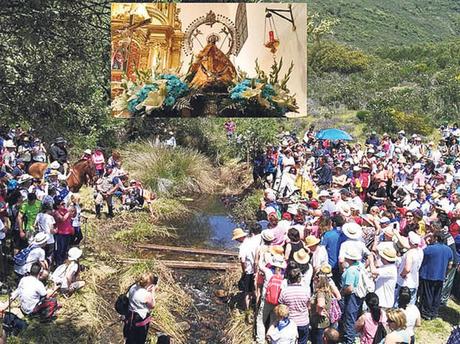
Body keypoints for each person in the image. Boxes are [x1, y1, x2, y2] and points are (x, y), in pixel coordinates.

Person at [418, 230, 453, 320]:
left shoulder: (430, 249)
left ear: (436, 238)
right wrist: (445, 274)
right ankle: (434, 312)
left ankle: (426, 313)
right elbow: (450, 265)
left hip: (428, 275)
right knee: (437, 295)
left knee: (427, 295)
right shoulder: (448, 250)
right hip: (440, 276)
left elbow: (420, 253)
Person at [123, 272, 157, 344]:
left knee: (129, 338)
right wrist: (152, 293)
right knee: (139, 340)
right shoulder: (147, 295)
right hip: (141, 320)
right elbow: (152, 305)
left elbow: (131, 296)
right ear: (149, 284)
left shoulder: (133, 287)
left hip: (130, 317)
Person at [278, 268, 310, 344]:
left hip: (289, 322)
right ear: (299, 279)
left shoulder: (284, 292)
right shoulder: (305, 290)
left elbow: (281, 307)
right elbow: (309, 306)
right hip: (303, 322)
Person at [340, 246, 364, 344]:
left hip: (352, 297)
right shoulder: (360, 265)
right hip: (359, 296)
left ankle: (349, 340)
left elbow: (349, 288)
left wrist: (342, 293)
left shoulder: (350, 271)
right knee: (355, 316)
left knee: (350, 319)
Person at [233, 227, 255, 312]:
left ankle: (247, 310)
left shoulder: (242, 247)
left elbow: (242, 261)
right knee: (254, 288)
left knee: (247, 291)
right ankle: (255, 305)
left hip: (249, 270)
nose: (236, 240)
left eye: (236, 238)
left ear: (239, 237)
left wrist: (244, 271)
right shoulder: (252, 241)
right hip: (257, 269)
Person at [309, 275, 334, 344]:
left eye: (315, 279)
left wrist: (318, 311)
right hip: (325, 321)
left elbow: (321, 304)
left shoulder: (320, 292)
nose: (314, 281)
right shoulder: (327, 290)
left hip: (318, 322)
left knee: (318, 340)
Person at [53, 199, 75, 266]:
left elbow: (72, 216)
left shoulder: (66, 210)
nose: (64, 205)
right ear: (57, 206)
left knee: (65, 248)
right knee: (60, 249)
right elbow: (62, 219)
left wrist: (73, 210)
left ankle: (63, 262)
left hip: (67, 232)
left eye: (64, 204)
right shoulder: (56, 212)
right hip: (60, 233)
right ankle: (58, 263)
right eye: (62, 204)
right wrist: (68, 213)